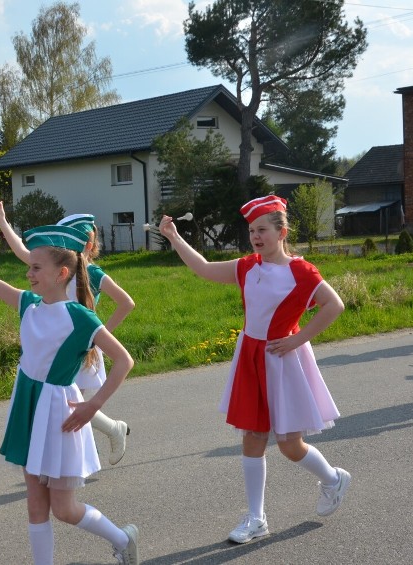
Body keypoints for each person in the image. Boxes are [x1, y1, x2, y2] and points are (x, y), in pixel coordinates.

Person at [0, 216, 139, 565]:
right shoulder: (28, 305)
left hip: (59, 412)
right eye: (29, 267)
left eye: (35, 267)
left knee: (63, 509)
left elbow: (124, 361)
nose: (28, 273)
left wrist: (93, 406)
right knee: (35, 505)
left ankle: (122, 539)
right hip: (28, 408)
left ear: (62, 273)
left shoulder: (81, 318)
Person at [159, 195, 350, 544]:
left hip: (282, 359)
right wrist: (174, 237)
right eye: (251, 231)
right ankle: (256, 517)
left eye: (262, 229)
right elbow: (202, 268)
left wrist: (299, 338)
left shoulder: (301, 271)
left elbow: (333, 305)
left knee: (291, 445)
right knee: (252, 437)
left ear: (282, 232)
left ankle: (333, 478)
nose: (255, 237)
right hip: (249, 355)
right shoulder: (247, 266)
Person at [0, 202, 135, 465]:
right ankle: (101, 436)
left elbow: (127, 302)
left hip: (73, 343)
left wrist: (98, 340)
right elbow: (22, 250)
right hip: (55, 341)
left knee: (65, 403)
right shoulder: (51, 266)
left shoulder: (92, 273)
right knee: (65, 402)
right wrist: (1, 220)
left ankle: (68, 458)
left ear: (84, 245)